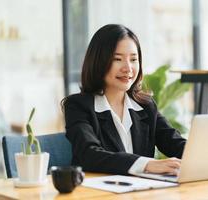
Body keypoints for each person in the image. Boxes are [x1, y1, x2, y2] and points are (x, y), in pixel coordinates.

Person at [63, 24, 186, 175]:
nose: (128, 68)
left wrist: (206, 156)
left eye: (134, 59)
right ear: (98, 61)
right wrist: (147, 164)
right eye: (118, 59)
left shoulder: (145, 106)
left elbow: (173, 142)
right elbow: (89, 155)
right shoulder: (78, 106)